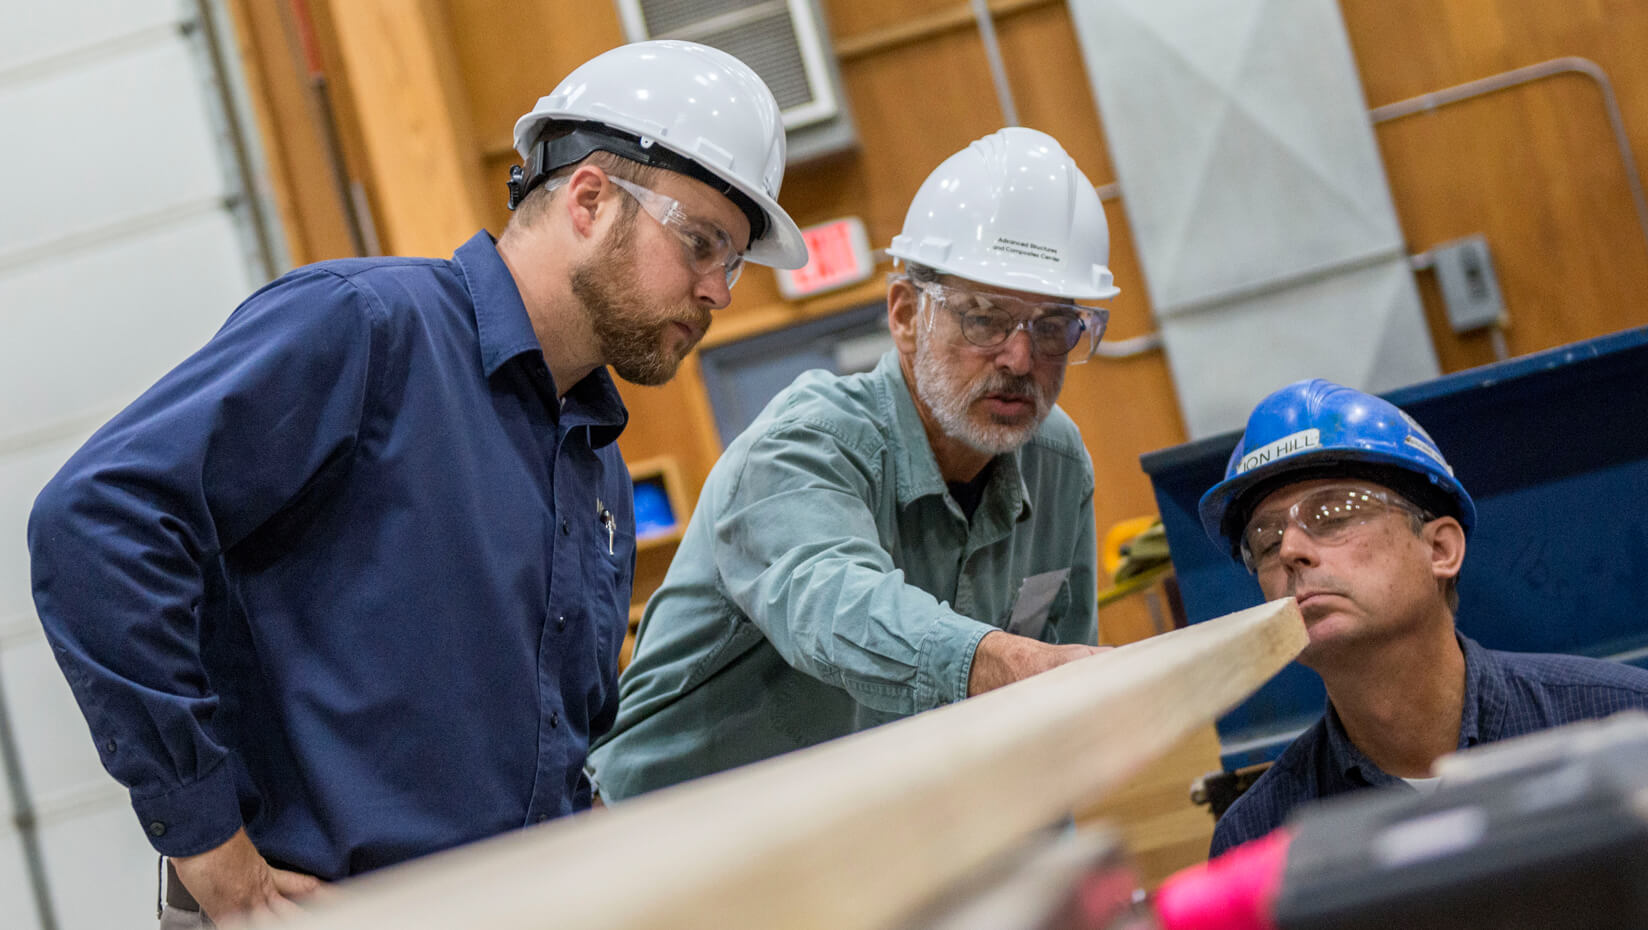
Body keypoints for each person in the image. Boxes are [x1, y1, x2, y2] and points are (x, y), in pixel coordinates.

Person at [27, 39, 806, 926]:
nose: (719, 291)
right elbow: (97, 523)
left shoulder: (595, 469)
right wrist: (209, 848)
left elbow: (557, 747)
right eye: (702, 243)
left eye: (732, 261)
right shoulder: (365, 329)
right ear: (590, 200)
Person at [590, 127, 1119, 801]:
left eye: (1052, 328)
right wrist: (1007, 662)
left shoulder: (1056, 461)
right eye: (984, 319)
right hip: (661, 860)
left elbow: (1054, 717)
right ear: (904, 315)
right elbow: (836, 604)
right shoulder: (803, 444)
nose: (1020, 360)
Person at [1197, 379, 1648, 856]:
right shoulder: (1259, 841)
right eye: (1266, 541)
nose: (1290, 550)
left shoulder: (1618, 727)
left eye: (1333, 513)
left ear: (1440, 548)